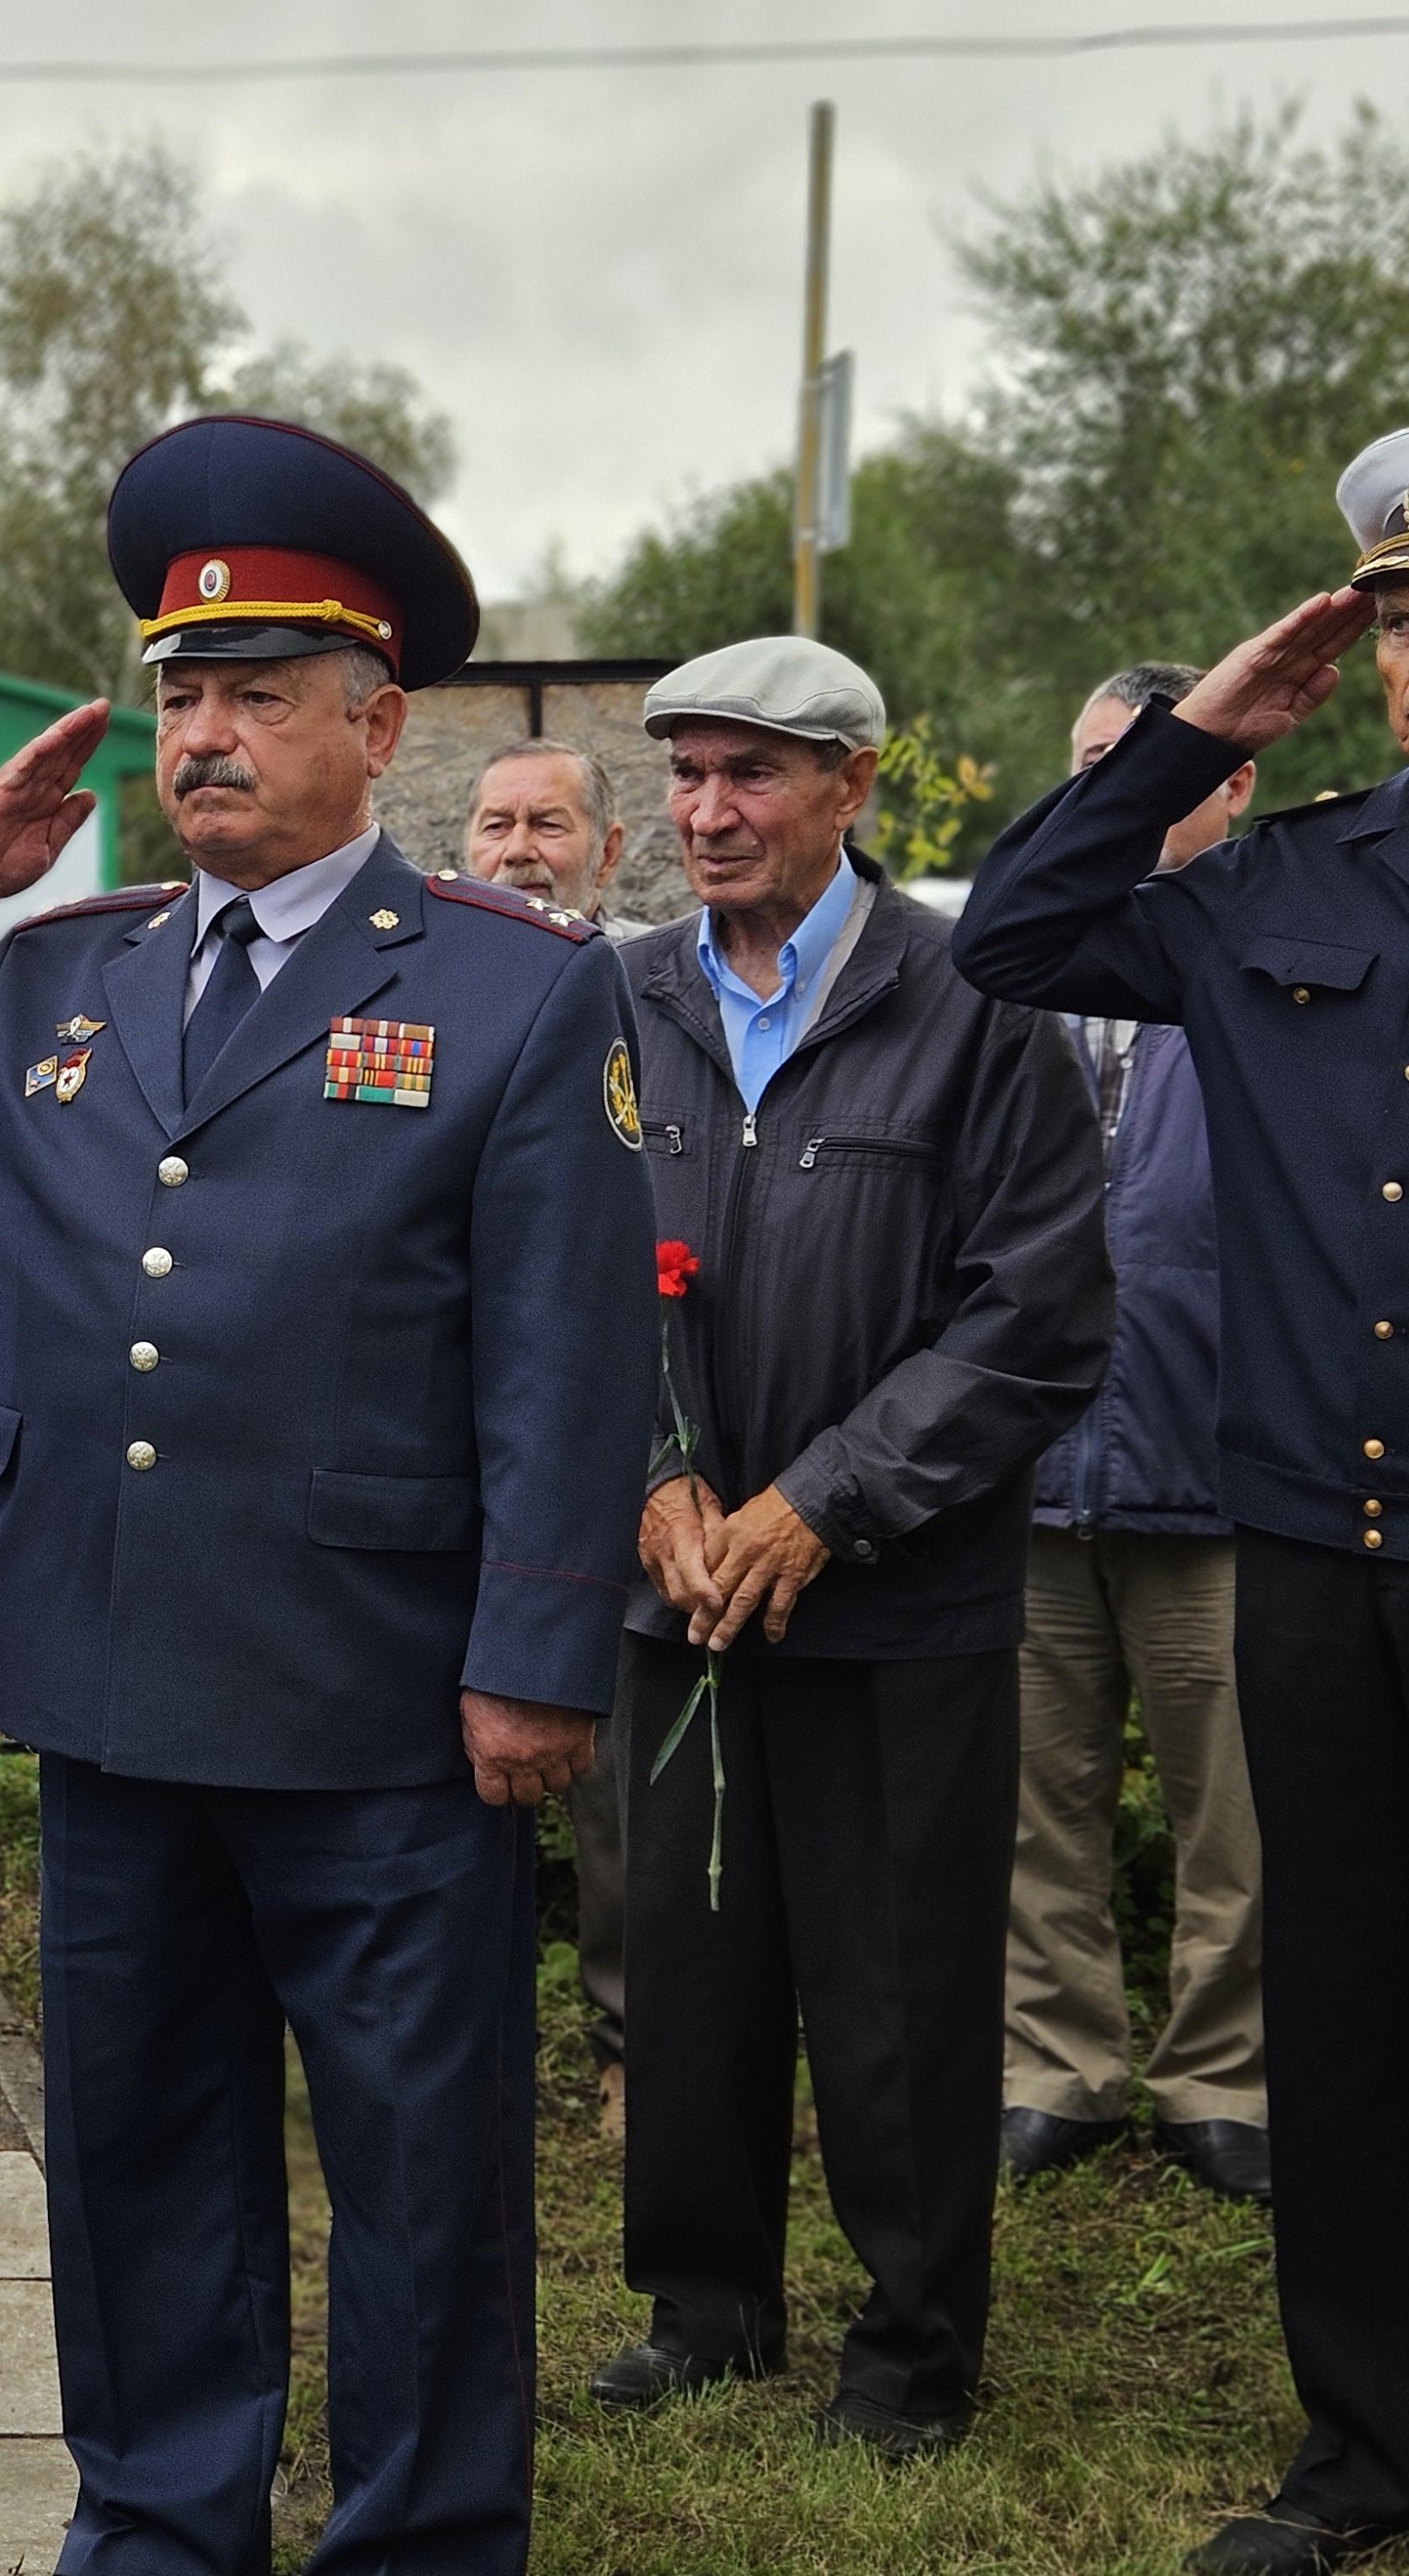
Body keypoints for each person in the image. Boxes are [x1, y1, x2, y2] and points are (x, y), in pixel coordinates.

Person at [0, 415, 655, 2575]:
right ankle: (162, 2523)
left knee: (417, 2172)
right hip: (108, 1682)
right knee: (139, 2154)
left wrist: (537, 1654)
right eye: (177, 692)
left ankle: (420, 2535)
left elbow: (568, 1354)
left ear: (378, 726)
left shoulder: (508, 988)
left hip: (376, 1703)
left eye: (257, 691)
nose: (203, 730)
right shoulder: (67, 975)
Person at [952, 428, 1409, 2576]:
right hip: (1326, 1541)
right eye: (1399, 622)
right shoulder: (1286, 885)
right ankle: (1361, 2452)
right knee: (1338, 2009)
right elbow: (1020, 930)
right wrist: (1194, 736)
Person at [598, 635, 1109, 2463]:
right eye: (684, 776)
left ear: (849, 787)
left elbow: (1033, 1313)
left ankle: (909, 2352)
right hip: (673, 1593)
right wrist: (652, 1479)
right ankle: (707, 2306)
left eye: (748, 775)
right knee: (687, 1968)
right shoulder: (624, 996)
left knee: (894, 1992)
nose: (705, 814)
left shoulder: (971, 999)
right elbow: (571, 1271)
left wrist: (822, 1499)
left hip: (894, 1598)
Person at [1001, 664, 1269, 2205]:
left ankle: (1222, 2080)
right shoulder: (1021, 968)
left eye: (1151, 764)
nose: (1115, 789)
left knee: (1238, 1810)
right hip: (1031, 1471)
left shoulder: (1277, 950)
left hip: (1214, 1465)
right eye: (1094, 763)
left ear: (1228, 783)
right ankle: (1061, 2066)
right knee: (1036, 1798)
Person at [465, 734, 639, 2128]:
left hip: (614, 1445)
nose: (521, 848)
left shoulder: (645, 987)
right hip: (447, 1481)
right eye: (496, 823)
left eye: (550, 824)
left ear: (607, 850)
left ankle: (631, 2039)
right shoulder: (429, 984)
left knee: (620, 1795)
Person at [465, 738, 628, 926]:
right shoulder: (432, 954)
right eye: (496, 827)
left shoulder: (648, 955)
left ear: (607, 853)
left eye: (548, 825)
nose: (517, 851)